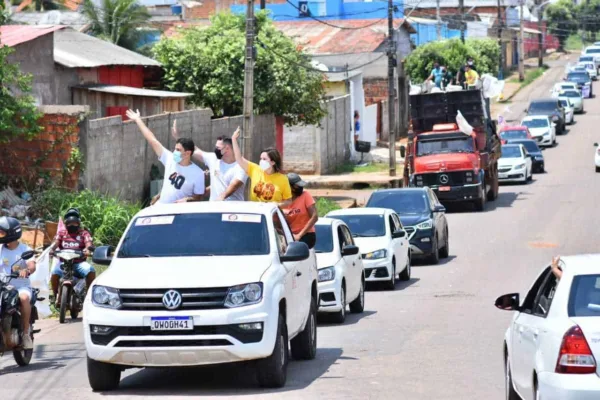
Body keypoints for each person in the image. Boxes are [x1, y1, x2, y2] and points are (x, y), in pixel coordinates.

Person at [126, 109, 205, 204]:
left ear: (187, 153)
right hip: (161, 208)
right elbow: (152, 140)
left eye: (178, 150)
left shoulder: (198, 173)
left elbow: (198, 197)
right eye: (175, 148)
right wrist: (137, 119)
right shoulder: (170, 159)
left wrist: (188, 200)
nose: (174, 151)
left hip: (179, 213)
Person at [172, 121, 247, 201]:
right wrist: (178, 138)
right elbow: (194, 150)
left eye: (218, 148)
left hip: (232, 210)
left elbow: (234, 185)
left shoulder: (241, 165)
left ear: (227, 149)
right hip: (214, 209)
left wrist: (221, 197)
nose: (215, 150)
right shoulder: (213, 159)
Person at [0, 217, 36, 349]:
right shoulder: (0, 249)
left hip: (21, 286)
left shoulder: (24, 249)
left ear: (12, 233)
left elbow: (32, 265)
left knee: (24, 298)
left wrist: (26, 270)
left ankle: (25, 333)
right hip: (3, 287)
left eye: (1, 232)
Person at [232, 127, 292, 206]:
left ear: (273, 162)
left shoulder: (283, 179)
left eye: (264, 159)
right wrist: (233, 139)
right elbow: (239, 158)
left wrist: (277, 205)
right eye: (261, 158)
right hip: (255, 213)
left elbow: (288, 201)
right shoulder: (255, 169)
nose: (261, 161)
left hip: (270, 215)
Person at [50, 208, 95, 308]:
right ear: (66, 223)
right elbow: (56, 242)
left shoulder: (84, 233)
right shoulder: (62, 233)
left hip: (78, 263)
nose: (72, 225)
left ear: (78, 223)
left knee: (91, 270)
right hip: (64, 263)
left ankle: (89, 297)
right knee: (54, 273)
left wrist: (87, 250)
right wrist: (52, 249)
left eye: (74, 223)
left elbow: (88, 244)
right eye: (69, 223)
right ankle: (56, 295)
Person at [282, 173, 318, 248]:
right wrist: (287, 234)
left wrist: (299, 235)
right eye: (297, 186)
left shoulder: (305, 195)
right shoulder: (282, 201)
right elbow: (276, 223)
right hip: (289, 235)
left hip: (306, 234)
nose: (300, 188)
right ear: (289, 187)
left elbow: (314, 216)